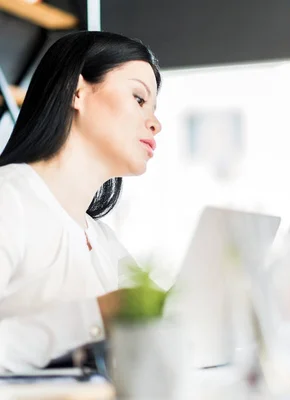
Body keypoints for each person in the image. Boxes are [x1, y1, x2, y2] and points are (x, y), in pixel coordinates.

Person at [0, 31, 162, 371]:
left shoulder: (106, 242)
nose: (155, 123)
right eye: (138, 98)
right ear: (77, 91)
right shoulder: (9, 199)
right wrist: (94, 314)